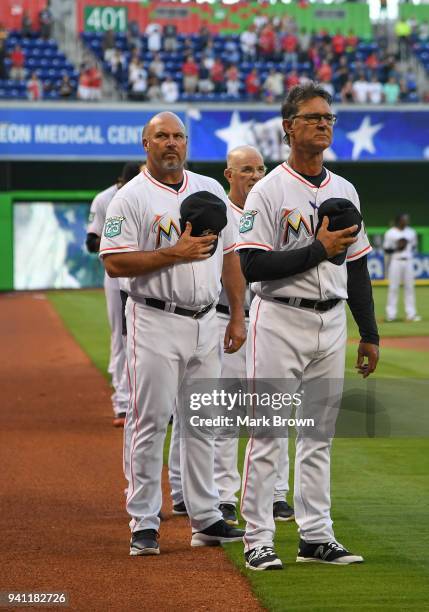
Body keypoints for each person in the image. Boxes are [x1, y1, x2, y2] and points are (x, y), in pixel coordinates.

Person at [235, 82, 379, 570]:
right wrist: (318, 249)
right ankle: (258, 538)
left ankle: (315, 535)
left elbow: (356, 266)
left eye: (329, 118)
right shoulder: (268, 189)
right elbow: (252, 265)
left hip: (332, 319)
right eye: (314, 117)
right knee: (268, 433)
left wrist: (371, 332)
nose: (324, 124)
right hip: (280, 318)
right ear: (288, 127)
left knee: (319, 435)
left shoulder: (345, 188)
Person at [99, 112, 246, 555]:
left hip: (207, 320)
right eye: (161, 136)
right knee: (150, 422)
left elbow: (231, 256)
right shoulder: (130, 198)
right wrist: (173, 253)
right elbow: (114, 262)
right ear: (145, 143)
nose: (171, 143)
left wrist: (236, 313)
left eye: (178, 136)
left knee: (201, 423)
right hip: (155, 318)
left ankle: (205, 517)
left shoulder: (211, 189)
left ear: (187, 143)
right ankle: (143, 521)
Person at [215, 145, 295, 526]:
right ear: (229, 174)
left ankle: (278, 494)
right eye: (246, 169)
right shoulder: (219, 213)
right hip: (226, 319)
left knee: (274, 411)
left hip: (270, 316)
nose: (255, 175)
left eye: (260, 168)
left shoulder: (274, 210)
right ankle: (224, 496)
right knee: (227, 411)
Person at [86, 163, 141, 427]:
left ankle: (145, 402)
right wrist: (117, 241)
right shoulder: (105, 199)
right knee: (121, 337)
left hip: (145, 275)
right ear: (120, 181)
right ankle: (122, 402)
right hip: (117, 278)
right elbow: (91, 242)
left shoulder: (147, 194)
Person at [383, 214, 420, 322]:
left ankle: (411, 314)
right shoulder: (390, 233)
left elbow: (413, 247)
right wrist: (397, 248)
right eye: (404, 219)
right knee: (393, 288)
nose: (406, 221)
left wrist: (405, 247)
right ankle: (391, 315)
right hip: (396, 261)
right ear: (399, 221)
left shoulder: (411, 232)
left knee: (410, 288)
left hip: (408, 261)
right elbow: (386, 250)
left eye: (407, 219)